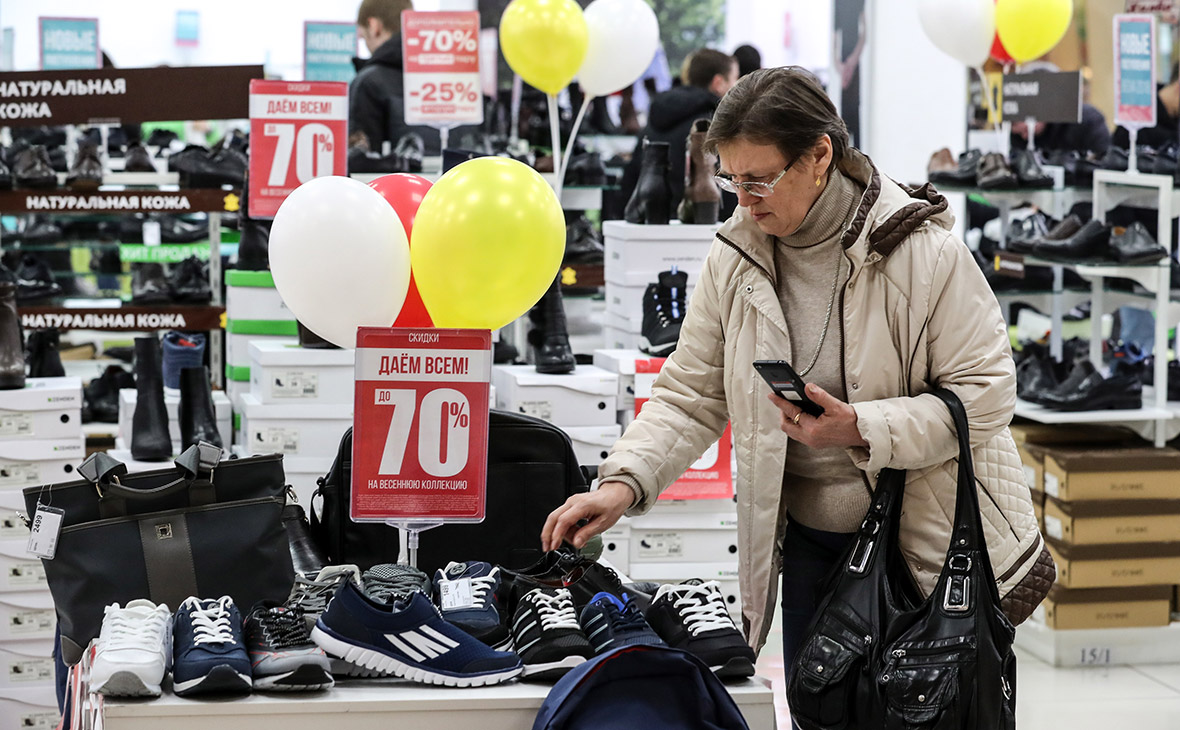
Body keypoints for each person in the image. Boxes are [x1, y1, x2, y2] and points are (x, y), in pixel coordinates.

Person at [542, 68, 1048, 669]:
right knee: (821, 711)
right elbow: (690, 393)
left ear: (819, 155)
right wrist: (621, 484)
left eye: (759, 181)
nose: (744, 201)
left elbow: (986, 398)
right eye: (730, 181)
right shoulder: (736, 258)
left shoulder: (923, 253)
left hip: (926, 545)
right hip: (809, 547)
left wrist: (859, 427)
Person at [620, 49, 739, 217]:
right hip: (700, 227)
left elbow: (631, 179)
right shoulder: (714, 127)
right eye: (734, 79)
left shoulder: (655, 118)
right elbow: (727, 194)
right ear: (718, 82)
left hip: (650, 224)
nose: (736, 86)